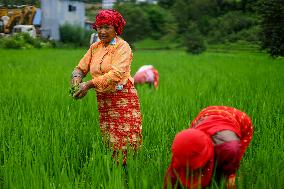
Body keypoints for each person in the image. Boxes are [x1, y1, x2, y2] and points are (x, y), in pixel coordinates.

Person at [70, 9, 142, 165]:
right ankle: (114, 172)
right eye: (99, 27)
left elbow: (116, 74)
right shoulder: (95, 48)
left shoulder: (123, 47)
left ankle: (129, 171)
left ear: (116, 28)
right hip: (104, 99)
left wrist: (88, 84)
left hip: (123, 98)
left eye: (107, 27)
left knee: (126, 138)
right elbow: (80, 68)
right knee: (109, 137)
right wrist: (76, 80)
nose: (102, 31)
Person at [164, 106, 253, 189]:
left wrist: (230, 175)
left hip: (238, 120)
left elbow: (232, 156)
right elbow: (172, 176)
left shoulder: (229, 148)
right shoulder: (184, 148)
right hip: (206, 114)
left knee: (227, 171)